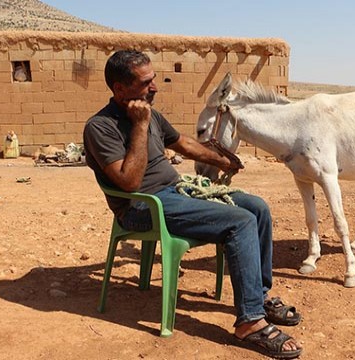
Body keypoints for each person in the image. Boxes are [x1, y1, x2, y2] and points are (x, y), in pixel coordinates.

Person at [83, 50, 303, 359]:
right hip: (143, 208)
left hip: (176, 192)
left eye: (154, 79)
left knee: (256, 208)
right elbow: (130, 183)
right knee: (239, 222)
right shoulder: (101, 127)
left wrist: (222, 160)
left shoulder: (151, 113)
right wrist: (140, 126)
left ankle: (259, 296)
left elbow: (183, 142)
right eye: (146, 83)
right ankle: (250, 323)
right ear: (120, 89)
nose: (154, 87)